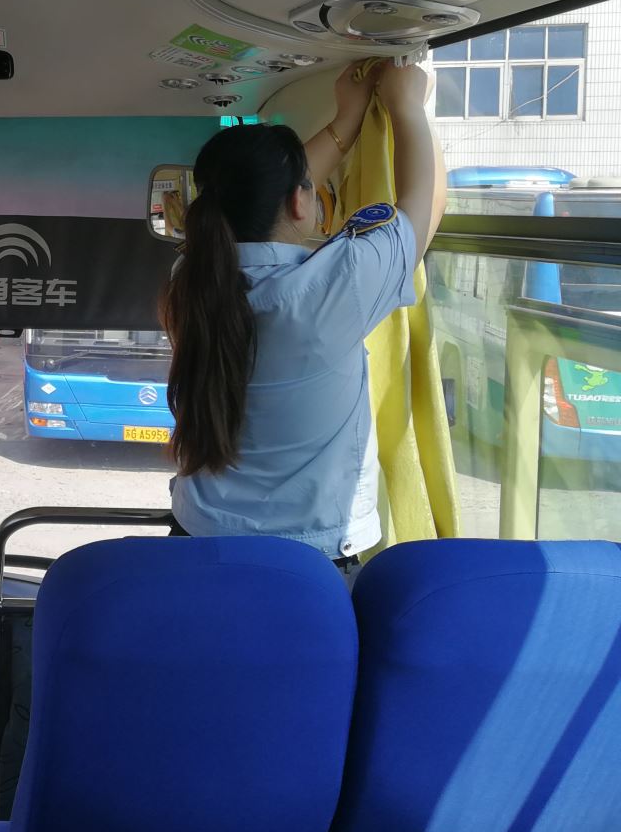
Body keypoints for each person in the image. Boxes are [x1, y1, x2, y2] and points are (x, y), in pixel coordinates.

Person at [162, 59, 447, 565]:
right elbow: (422, 213)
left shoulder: (192, 281)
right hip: (308, 558)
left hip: (196, 538)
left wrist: (348, 120)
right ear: (300, 201)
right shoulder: (335, 284)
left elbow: (263, 196)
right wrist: (405, 106)